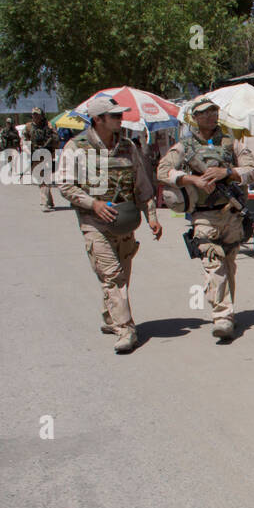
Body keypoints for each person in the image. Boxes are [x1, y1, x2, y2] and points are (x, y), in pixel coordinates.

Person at [58, 95, 162, 354]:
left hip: (125, 221)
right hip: (94, 222)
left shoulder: (128, 146)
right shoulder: (76, 147)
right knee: (113, 275)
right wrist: (93, 204)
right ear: (98, 119)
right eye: (114, 116)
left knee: (122, 274)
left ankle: (110, 316)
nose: (120, 119)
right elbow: (65, 184)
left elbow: (142, 184)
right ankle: (126, 329)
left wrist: (152, 215)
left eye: (120, 115)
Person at [157, 98, 254, 340]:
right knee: (214, 264)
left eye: (214, 111)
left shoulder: (232, 144)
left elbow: (252, 170)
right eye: (205, 113)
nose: (211, 116)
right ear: (195, 117)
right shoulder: (184, 146)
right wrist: (192, 180)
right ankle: (221, 316)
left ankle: (227, 312)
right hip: (203, 216)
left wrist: (229, 172)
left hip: (231, 213)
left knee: (229, 265)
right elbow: (162, 171)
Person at [26, 106, 59, 211]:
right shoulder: (28, 127)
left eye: (37, 115)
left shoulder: (48, 126)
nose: (35, 117)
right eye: (34, 115)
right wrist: (27, 151)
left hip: (47, 155)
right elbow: (24, 140)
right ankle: (50, 201)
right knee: (41, 180)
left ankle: (44, 203)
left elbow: (56, 140)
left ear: (42, 115)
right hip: (35, 156)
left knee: (44, 179)